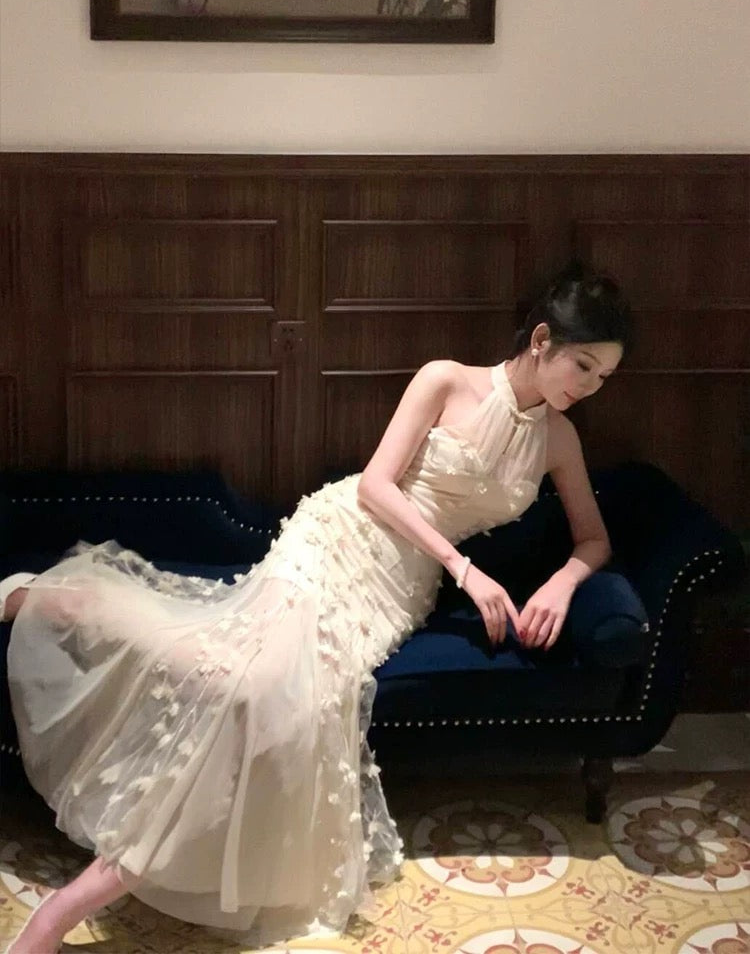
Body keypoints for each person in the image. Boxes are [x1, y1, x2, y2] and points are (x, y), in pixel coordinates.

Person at [1, 261, 632, 953]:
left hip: (399, 588)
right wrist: (466, 569)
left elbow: (594, 539)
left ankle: (62, 602)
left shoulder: (558, 439)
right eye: (583, 365)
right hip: (338, 539)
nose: (589, 386)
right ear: (541, 340)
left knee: (268, 698)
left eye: (604, 377)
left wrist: (562, 583)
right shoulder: (446, 380)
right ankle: (62, 909)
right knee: (247, 690)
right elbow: (375, 487)